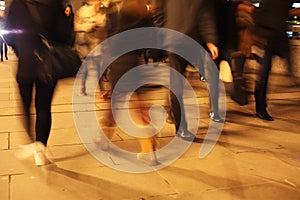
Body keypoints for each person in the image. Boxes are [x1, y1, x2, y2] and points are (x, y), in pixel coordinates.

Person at [5, 0, 73, 166]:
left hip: (26, 64)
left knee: (25, 105)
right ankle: (40, 148)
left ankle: (29, 141)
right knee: (44, 107)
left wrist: (21, 49)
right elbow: (66, 35)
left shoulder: (17, 4)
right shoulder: (54, 4)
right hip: (48, 65)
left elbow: (9, 34)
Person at [162, 0, 219, 141]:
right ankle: (213, 111)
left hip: (174, 40)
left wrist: (165, 31)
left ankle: (180, 127)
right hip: (191, 41)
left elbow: (159, 11)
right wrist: (210, 40)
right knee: (210, 75)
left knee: (176, 85)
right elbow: (205, 16)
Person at [251, 0, 293, 121]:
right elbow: (258, 15)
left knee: (266, 73)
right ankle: (260, 108)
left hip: (278, 36)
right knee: (263, 74)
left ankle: (261, 106)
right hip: (266, 37)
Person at [74, 0, 110, 99]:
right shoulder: (83, 11)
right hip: (86, 44)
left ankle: (102, 90)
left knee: (100, 68)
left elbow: (105, 26)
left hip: (98, 43)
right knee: (85, 67)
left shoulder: (103, 12)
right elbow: (76, 26)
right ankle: (82, 86)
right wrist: (89, 26)